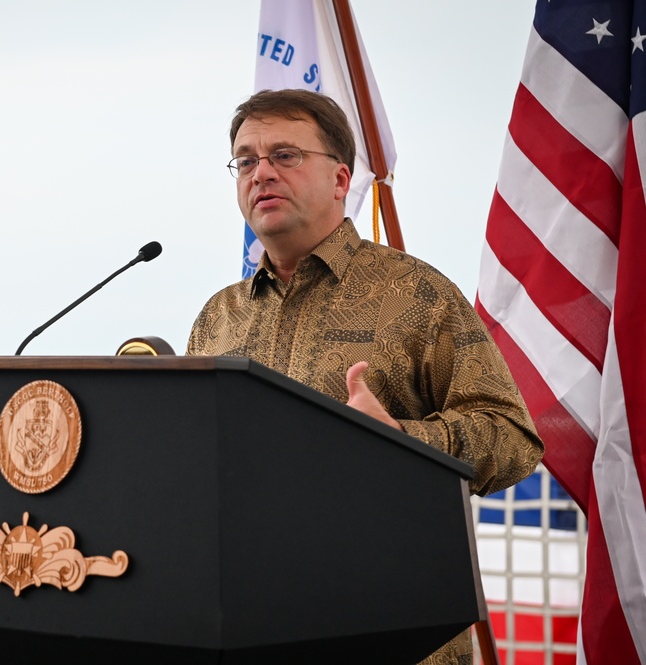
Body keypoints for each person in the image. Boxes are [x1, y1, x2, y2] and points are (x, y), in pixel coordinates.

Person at [186, 89, 544, 664]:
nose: (262, 173)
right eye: (246, 160)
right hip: (255, 624)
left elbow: (513, 438)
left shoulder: (414, 294)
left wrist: (403, 443)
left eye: (285, 154)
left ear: (339, 179)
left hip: (394, 629)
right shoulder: (219, 317)